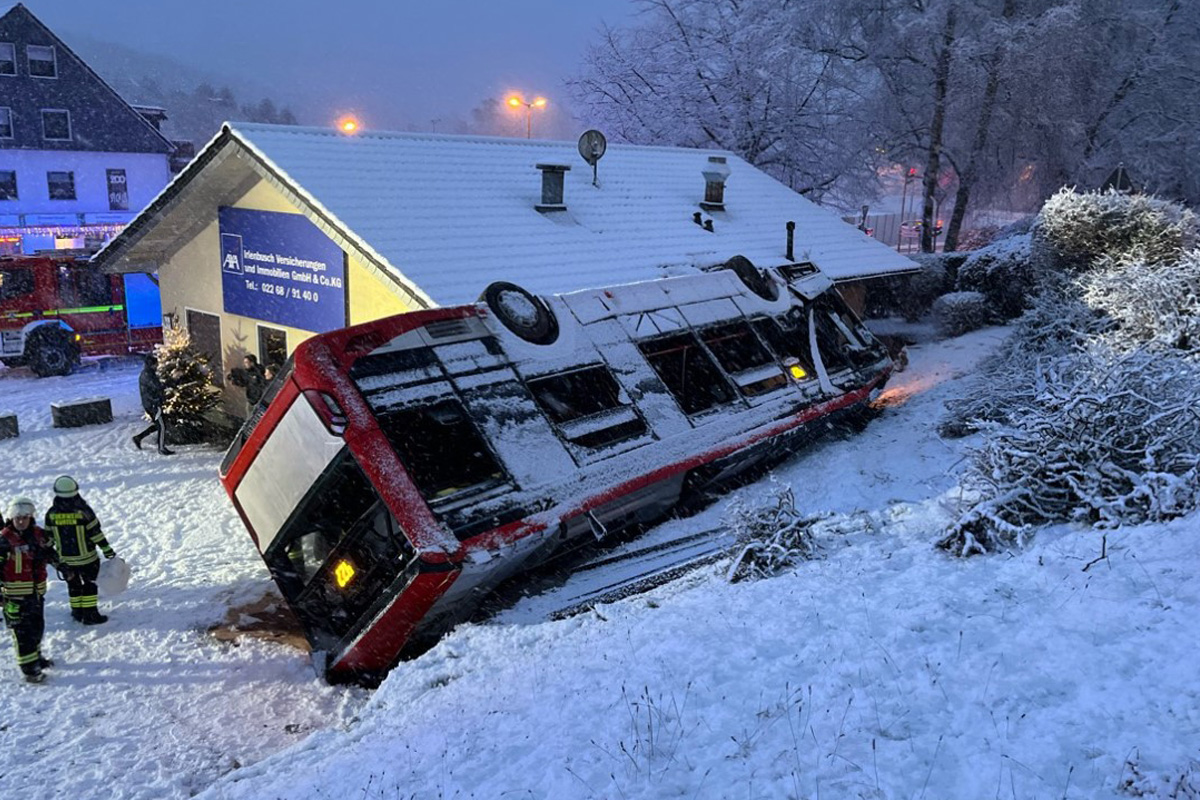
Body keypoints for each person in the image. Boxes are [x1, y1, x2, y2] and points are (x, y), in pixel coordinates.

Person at [43, 476, 116, 625]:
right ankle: (90, 614)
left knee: (73, 585)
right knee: (90, 585)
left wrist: (51, 556)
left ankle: (77, 612)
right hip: (87, 558)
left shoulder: (51, 514)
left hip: (66, 560)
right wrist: (108, 550)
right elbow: (96, 533)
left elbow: (48, 539)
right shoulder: (84, 511)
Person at [0, 497, 57, 683]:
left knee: (36, 628)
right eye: (18, 518)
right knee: (21, 633)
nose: (21, 521)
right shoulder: (4, 540)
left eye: (25, 517)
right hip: (13, 597)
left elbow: (50, 553)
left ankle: (36, 658)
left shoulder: (39, 535)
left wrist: (63, 567)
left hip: (36, 594)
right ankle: (30, 670)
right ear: (11, 519)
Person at [132, 353, 173, 455]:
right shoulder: (148, 375)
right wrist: (173, 381)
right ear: (151, 364)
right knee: (162, 426)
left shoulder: (147, 373)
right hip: (153, 404)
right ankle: (161, 448)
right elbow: (158, 386)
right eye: (156, 364)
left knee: (158, 425)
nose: (157, 366)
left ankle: (138, 438)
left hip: (150, 403)